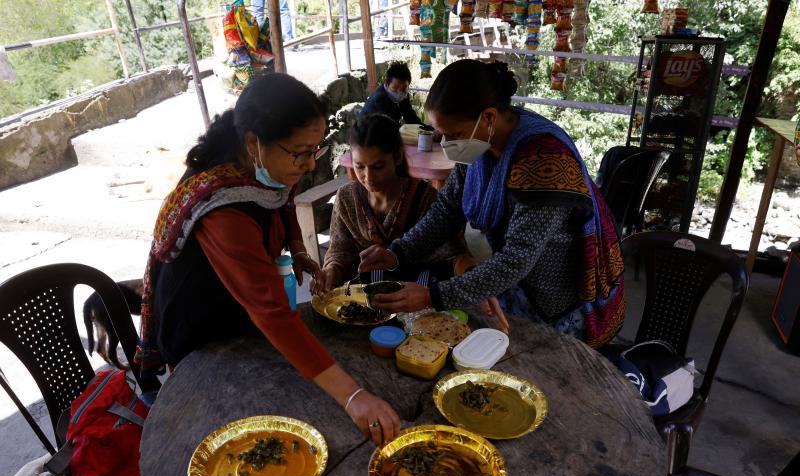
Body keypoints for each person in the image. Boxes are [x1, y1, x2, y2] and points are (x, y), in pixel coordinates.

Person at [135, 74, 400, 445]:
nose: (309, 165)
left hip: (236, 309)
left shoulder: (269, 163)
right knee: (225, 419)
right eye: (300, 153)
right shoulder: (222, 208)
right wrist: (353, 396)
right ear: (253, 144)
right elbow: (272, 310)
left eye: (316, 149)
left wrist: (299, 248)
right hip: (198, 317)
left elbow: (282, 198)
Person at [359, 59, 625, 348]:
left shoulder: (543, 158)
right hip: (516, 286)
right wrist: (398, 253)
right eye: (440, 133)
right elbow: (447, 211)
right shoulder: (478, 144)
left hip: (558, 300)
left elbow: (516, 259)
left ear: (488, 117)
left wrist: (432, 296)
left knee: (546, 369)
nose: (446, 142)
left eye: (454, 134)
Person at [313, 113, 471, 293]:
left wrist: (469, 274)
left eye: (378, 167)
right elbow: (341, 251)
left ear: (396, 157)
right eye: (359, 166)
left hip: (418, 295)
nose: (368, 177)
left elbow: (453, 254)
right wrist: (332, 270)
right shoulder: (347, 198)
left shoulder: (426, 199)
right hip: (364, 296)